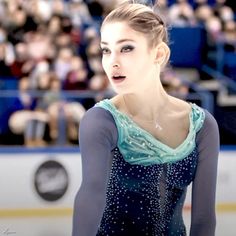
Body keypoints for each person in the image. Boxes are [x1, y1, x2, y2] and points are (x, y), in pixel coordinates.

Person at [72, 2, 219, 236]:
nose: (113, 61)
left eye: (126, 48)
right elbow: (90, 197)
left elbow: (204, 220)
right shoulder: (101, 121)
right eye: (106, 50)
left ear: (159, 53)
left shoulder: (202, 125)